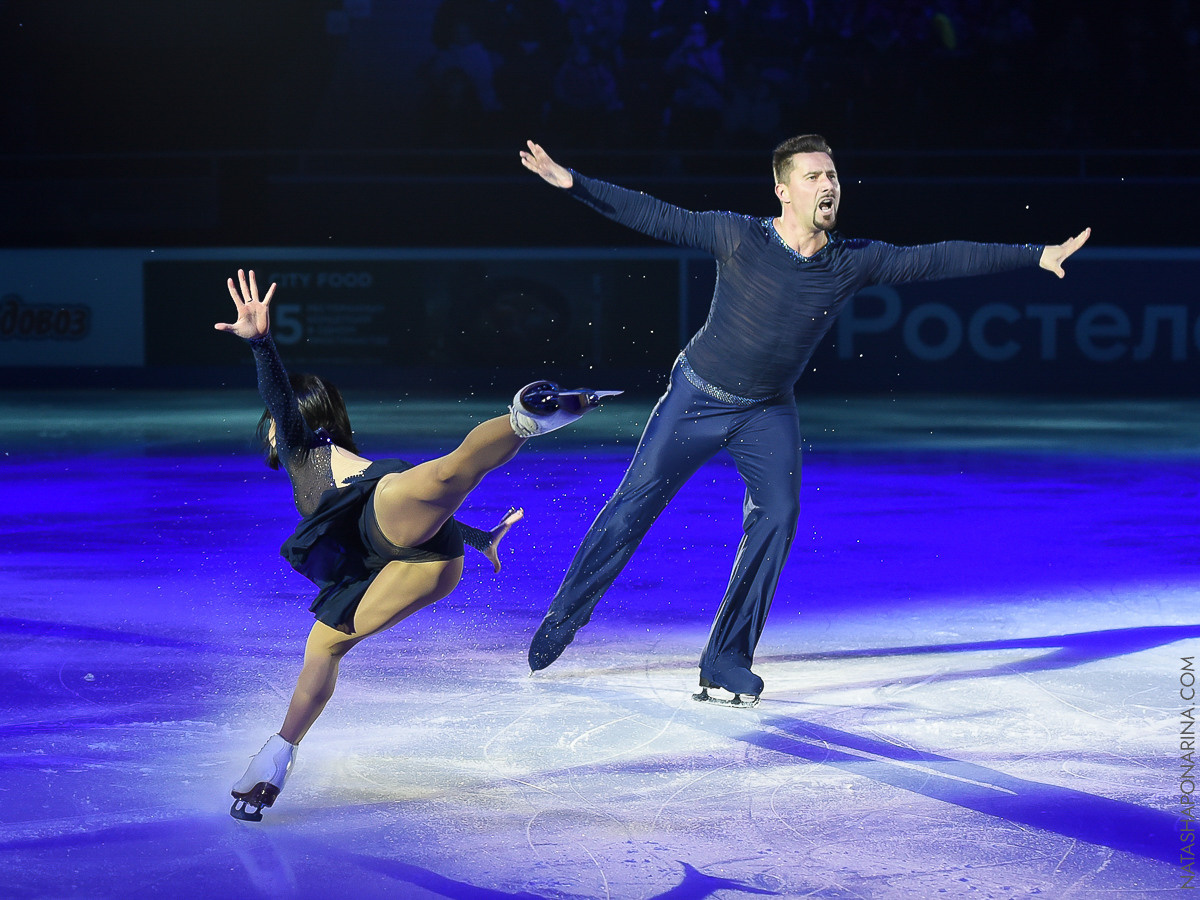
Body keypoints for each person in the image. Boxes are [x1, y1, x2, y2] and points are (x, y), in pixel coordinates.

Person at [519, 135, 1090, 707]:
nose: (828, 185)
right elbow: (658, 216)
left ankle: (724, 659)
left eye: (833, 176)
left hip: (767, 410)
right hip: (697, 396)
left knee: (780, 514)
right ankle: (566, 616)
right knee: (633, 506)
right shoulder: (738, 235)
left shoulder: (852, 261)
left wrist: (1035, 253)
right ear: (782, 190)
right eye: (814, 176)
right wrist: (575, 184)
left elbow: (936, 257)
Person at [218, 269, 619, 820]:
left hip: (382, 515)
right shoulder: (332, 456)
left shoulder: (298, 445)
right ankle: (522, 422)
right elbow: (435, 521)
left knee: (447, 476)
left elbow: (281, 401)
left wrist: (262, 345)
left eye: (274, 421)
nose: (270, 428)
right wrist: (483, 538)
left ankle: (524, 419)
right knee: (443, 486)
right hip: (431, 559)